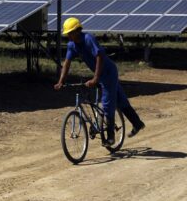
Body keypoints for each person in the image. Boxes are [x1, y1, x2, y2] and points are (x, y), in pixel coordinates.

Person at [54, 17, 145, 145]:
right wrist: (61, 81)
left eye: (70, 33)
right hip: (101, 74)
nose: (68, 36)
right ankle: (137, 123)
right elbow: (67, 63)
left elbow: (99, 56)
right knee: (120, 100)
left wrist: (96, 78)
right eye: (67, 33)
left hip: (108, 73)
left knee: (107, 103)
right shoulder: (72, 45)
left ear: (77, 31)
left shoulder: (88, 39)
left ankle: (110, 137)